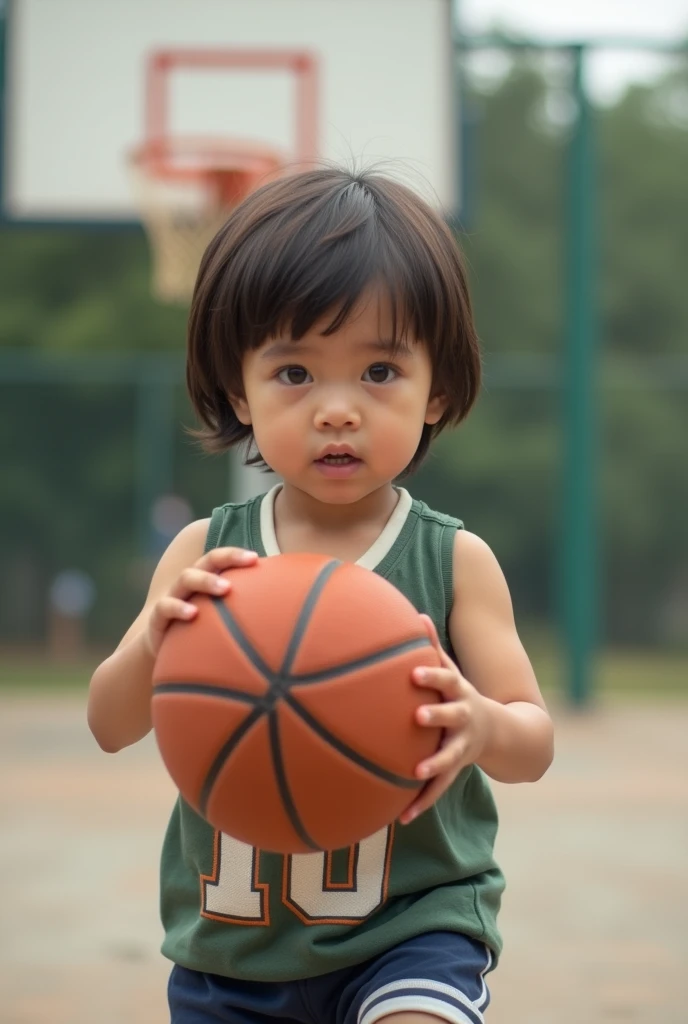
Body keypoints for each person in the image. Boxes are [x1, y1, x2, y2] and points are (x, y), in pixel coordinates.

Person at [87, 168, 554, 1024]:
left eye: (379, 369)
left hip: (411, 928)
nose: (337, 410)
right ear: (240, 391)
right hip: (234, 953)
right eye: (295, 372)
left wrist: (481, 722)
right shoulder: (207, 556)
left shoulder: (451, 561)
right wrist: (154, 640)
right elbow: (111, 725)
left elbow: (532, 742)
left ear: (436, 390)